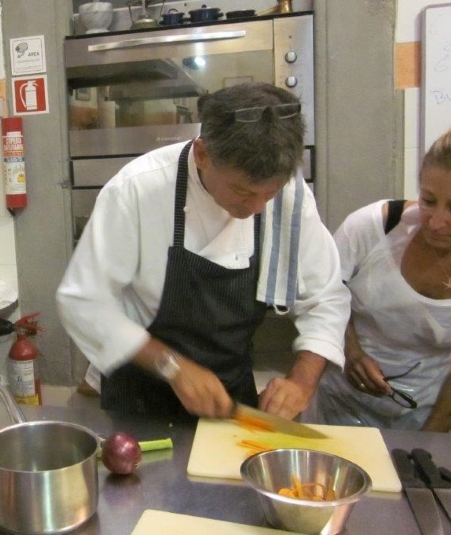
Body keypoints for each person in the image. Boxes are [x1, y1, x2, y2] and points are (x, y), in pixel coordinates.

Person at [56, 82, 349, 420]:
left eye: (268, 195)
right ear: (202, 154)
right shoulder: (137, 190)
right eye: (242, 190)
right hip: (139, 397)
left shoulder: (290, 195)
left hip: (229, 396)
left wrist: (301, 381)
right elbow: (83, 301)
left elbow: (325, 298)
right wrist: (173, 366)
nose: (256, 208)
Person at [303, 130, 451, 431]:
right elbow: (323, 294)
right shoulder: (374, 227)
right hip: (338, 404)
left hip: (424, 413)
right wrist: (352, 350)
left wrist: (429, 439)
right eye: (428, 200)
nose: (436, 222)